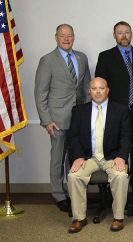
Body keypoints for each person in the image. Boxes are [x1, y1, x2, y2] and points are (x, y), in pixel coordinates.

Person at [34, 24, 91, 213]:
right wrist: (46, 120)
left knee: (75, 157)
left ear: (74, 37)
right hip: (57, 119)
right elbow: (40, 93)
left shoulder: (82, 58)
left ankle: (73, 192)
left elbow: (85, 89)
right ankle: (59, 195)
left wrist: (90, 113)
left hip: (79, 118)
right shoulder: (48, 60)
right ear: (56, 37)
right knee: (58, 158)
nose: (66, 39)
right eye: (62, 36)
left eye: (69, 36)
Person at [95, 21, 133, 202]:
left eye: (127, 32)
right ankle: (117, 188)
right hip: (116, 112)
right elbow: (100, 87)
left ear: (131, 34)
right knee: (118, 150)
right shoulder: (105, 56)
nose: (124, 36)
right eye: (120, 33)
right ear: (114, 35)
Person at [67, 77, 131, 233]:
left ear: (107, 90)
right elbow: (73, 137)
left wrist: (122, 156)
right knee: (73, 176)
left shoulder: (121, 110)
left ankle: (118, 217)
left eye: (101, 88)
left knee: (121, 176)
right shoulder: (79, 111)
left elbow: (126, 136)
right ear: (89, 91)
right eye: (94, 88)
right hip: (88, 157)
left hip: (112, 157)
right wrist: (78, 156)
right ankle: (79, 218)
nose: (97, 91)